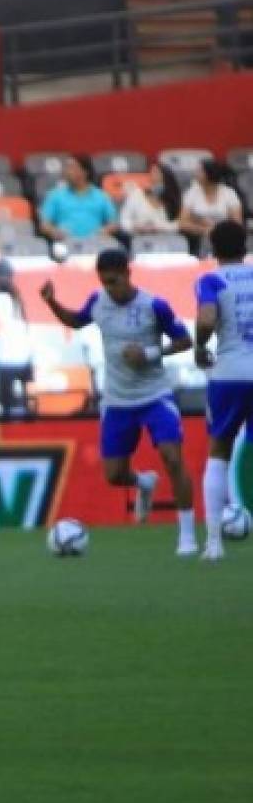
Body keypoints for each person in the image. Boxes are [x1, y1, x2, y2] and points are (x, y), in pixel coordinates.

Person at [40, 249, 196, 556]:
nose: (110, 288)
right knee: (114, 475)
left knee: (173, 458)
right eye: (104, 282)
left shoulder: (154, 305)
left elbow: (185, 340)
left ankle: (188, 537)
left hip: (154, 396)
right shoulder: (98, 302)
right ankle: (143, 482)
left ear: (127, 274)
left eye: (114, 281)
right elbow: (75, 321)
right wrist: (51, 301)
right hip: (117, 400)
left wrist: (150, 354)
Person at [192, 221, 253, 561]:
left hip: (229, 373)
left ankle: (213, 543)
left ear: (213, 249)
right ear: (244, 246)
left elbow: (205, 319)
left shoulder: (211, 280)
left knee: (219, 450)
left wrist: (201, 347)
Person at [0, 261, 32, 416]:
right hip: (24, 357)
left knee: (4, 403)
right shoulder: (15, 298)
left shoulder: (0, 299)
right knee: (23, 400)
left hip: (7, 358)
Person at [39, 154, 118, 243]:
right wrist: (54, 232)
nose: (67, 172)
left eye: (71, 168)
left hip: (95, 243)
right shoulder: (55, 195)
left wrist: (105, 231)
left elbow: (113, 223)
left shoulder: (101, 196)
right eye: (67, 168)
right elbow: (44, 225)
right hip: (65, 243)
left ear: (84, 172)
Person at [178, 159, 244, 248]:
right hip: (197, 239)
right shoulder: (191, 193)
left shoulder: (229, 193)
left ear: (209, 173)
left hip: (226, 238)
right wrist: (204, 230)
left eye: (199, 171)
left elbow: (237, 223)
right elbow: (183, 223)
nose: (195, 174)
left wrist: (217, 231)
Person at [119, 163, 182, 236]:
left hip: (165, 239)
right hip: (137, 238)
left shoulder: (172, 202)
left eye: (157, 174)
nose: (153, 176)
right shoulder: (136, 195)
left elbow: (177, 225)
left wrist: (158, 227)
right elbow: (124, 220)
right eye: (151, 173)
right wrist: (134, 227)